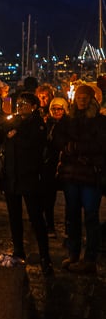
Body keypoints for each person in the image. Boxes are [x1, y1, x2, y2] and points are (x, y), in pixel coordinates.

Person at [0, 92, 52, 275]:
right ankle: (18, 251)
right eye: (20, 103)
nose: (21, 106)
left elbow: (33, 145)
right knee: (14, 217)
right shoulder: (14, 121)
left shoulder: (38, 123)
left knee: (36, 218)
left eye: (25, 103)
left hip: (29, 177)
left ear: (33, 106)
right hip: (11, 177)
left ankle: (44, 257)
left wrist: (15, 135)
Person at [54, 84, 106, 274]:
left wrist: (76, 148)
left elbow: (100, 144)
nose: (81, 100)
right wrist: (68, 147)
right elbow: (57, 138)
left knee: (91, 216)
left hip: (91, 175)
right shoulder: (68, 120)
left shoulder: (100, 121)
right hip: (71, 175)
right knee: (72, 215)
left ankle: (90, 258)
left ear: (91, 99)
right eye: (79, 97)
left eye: (85, 97)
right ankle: (74, 253)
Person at [42, 96, 68, 238]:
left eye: (60, 109)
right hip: (50, 165)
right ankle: (50, 226)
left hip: (65, 164)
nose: (57, 112)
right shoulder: (48, 124)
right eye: (54, 109)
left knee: (70, 200)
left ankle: (68, 229)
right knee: (48, 198)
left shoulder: (68, 124)